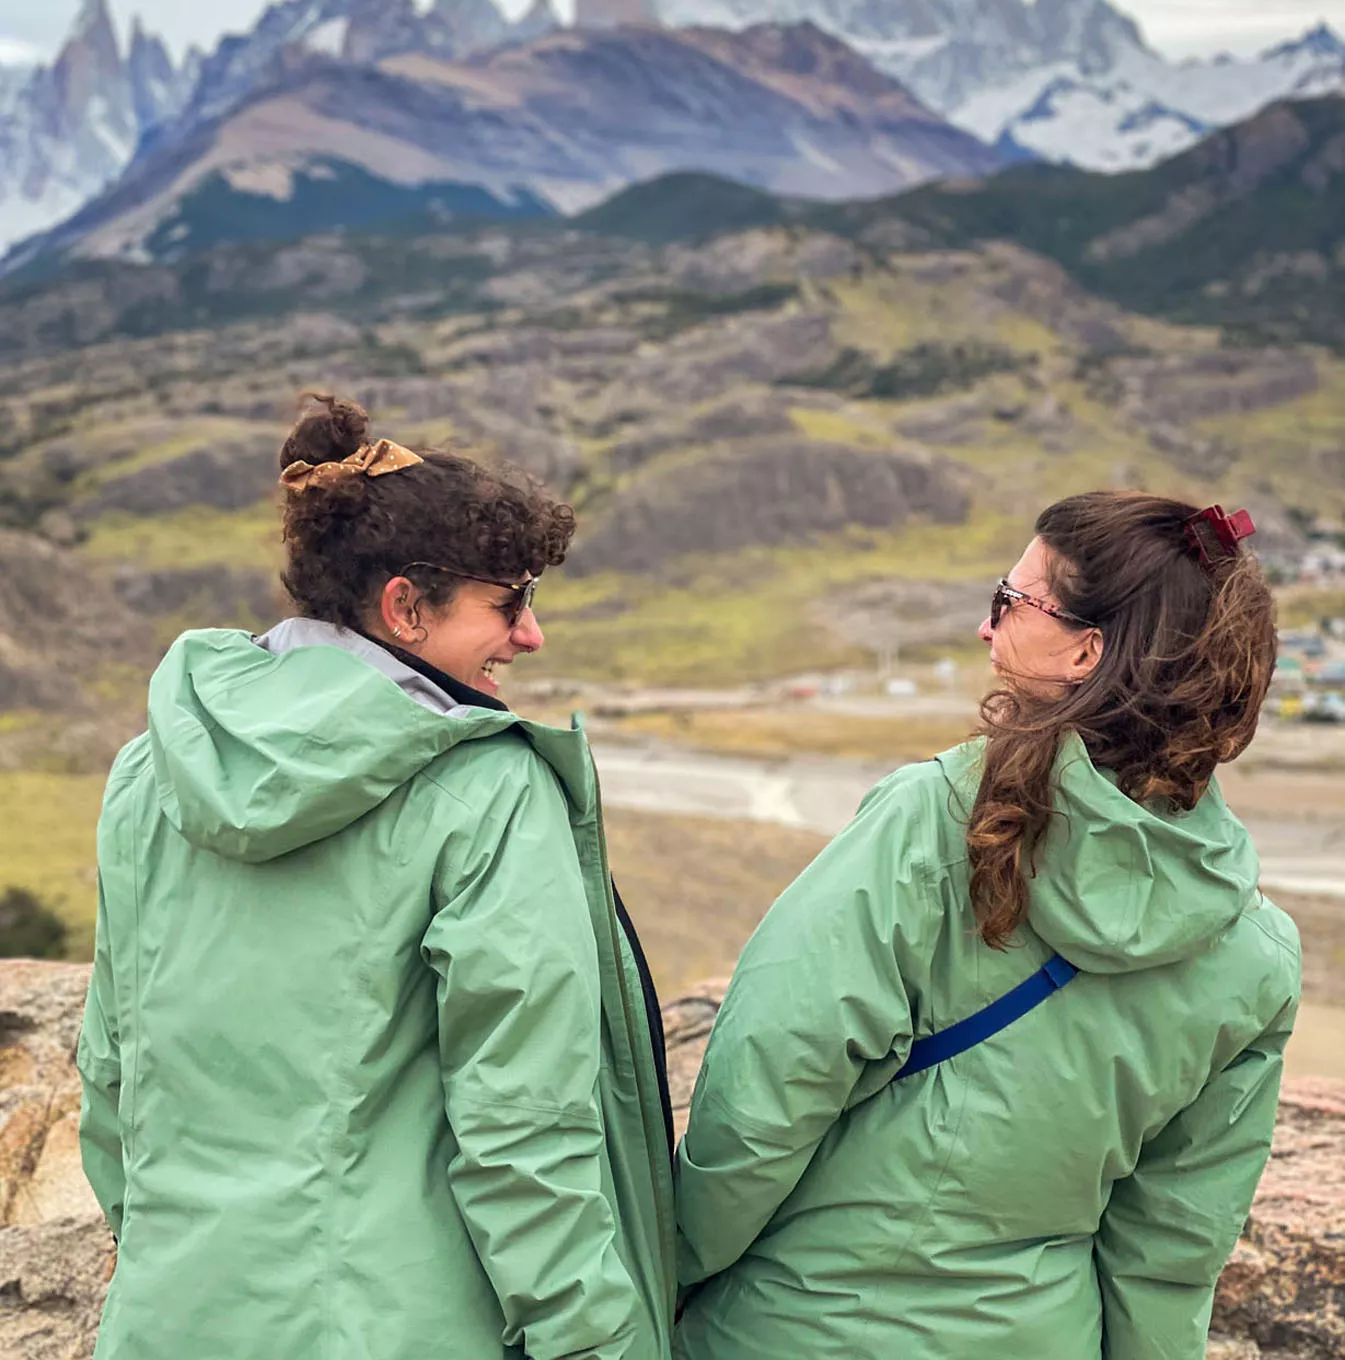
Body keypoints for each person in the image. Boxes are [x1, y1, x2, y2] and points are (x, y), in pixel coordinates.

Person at [77, 394, 675, 1360]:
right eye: (508, 601)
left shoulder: (148, 772)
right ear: (404, 606)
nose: (531, 637)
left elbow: (111, 1079)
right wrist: (597, 1343)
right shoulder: (486, 787)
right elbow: (523, 1132)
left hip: (171, 1319)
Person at [673, 492, 1300, 1360]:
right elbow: (1174, 1244)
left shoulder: (926, 820)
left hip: (804, 1327)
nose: (984, 627)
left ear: (1087, 649)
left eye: (1009, 602)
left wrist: (670, 1271)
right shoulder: (1256, 950)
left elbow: (764, 1097)